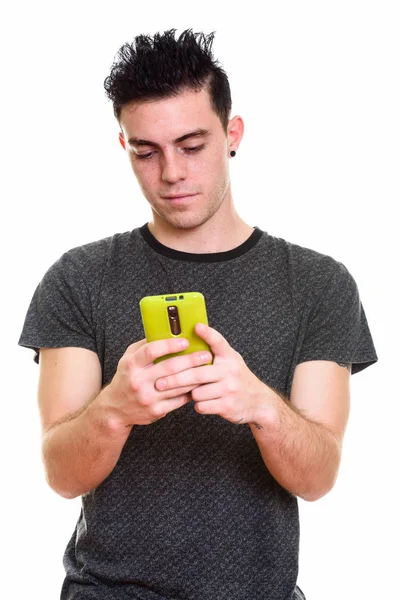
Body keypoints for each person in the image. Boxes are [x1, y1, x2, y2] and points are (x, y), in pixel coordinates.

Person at [19, 28, 378, 600]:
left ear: (232, 134)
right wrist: (115, 410)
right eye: (146, 151)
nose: (171, 173)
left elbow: (318, 478)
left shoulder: (318, 284)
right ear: (124, 148)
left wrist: (260, 405)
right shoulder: (79, 278)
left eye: (192, 145)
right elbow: (61, 475)